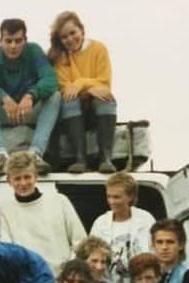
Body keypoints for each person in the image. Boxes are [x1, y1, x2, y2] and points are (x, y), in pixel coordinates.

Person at [0, 18, 61, 173]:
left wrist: (31, 95)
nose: (13, 46)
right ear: (0, 41)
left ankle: (35, 153)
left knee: (55, 96)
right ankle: (0, 154)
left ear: (25, 40)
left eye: (18, 41)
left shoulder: (34, 51)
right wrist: (3, 98)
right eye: (8, 41)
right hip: (5, 112)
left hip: (28, 111)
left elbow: (51, 80)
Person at [49, 11, 118, 174]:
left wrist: (80, 83)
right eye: (64, 37)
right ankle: (80, 159)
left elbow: (104, 82)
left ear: (82, 30)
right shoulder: (58, 57)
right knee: (69, 99)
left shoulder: (98, 48)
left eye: (73, 33)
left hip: (96, 111)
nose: (70, 39)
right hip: (72, 115)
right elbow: (64, 87)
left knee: (106, 98)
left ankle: (105, 158)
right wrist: (88, 87)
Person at [0, 151, 86, 271]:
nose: (23, 183)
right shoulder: (4, 210)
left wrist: (68, 271)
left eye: (27, 177)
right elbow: (8, 250)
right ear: (9, 181)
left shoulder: (60, 201)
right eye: (17, 178)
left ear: (36, 176)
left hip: (63, 278)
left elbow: (80, 242)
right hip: (28, 281)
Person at [89, 173, 156, 283]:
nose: (111, 201)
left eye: (117, 197)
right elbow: (89, 259)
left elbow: (155, 255)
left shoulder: (146, 220)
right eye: (109, 196)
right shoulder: (100, 223)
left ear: (130, 197)